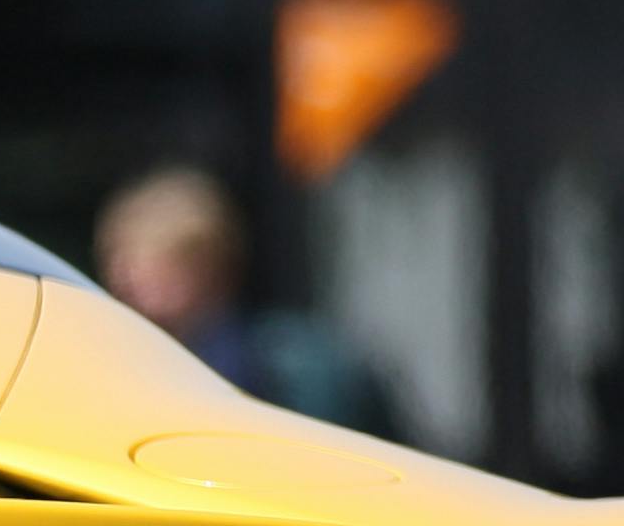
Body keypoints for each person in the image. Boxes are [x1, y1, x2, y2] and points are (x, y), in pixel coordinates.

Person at [95, 165, 401, 437]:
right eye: (114, 258)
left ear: (206, 265)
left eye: (144, 257)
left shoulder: (306, 365)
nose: (122, 276)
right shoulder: (120, 373)